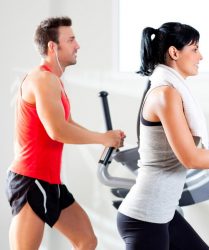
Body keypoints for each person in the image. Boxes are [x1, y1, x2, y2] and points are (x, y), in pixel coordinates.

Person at [116, 22, 209, 250]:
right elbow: (191, 158)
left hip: (163, 215)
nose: (201, 56)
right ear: (174, 52)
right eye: (195, 49)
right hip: (145, 219)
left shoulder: (171, 91)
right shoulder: (165, 94)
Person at [6, 16, 126, 250]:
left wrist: (104, 136)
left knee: (86, 241)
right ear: (53, 46)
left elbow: (66, 122)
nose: (77, 45)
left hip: (49, 180)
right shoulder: (42, 79)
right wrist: (101, 138)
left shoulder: (54, 81)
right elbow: (57, 131)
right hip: (30, 180)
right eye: (71, 39)